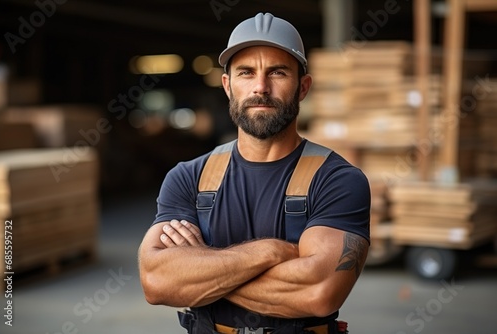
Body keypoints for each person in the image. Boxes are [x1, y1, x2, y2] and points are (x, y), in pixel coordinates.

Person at [139, 12, 370, 334]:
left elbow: (319, 294)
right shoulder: (188, 177)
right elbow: (156, 282)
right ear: (227, 85)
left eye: (277, 72)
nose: (260, 87)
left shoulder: (338, 180)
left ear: (303, 87)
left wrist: (199, 273)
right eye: (246, 73)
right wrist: (271, 252)